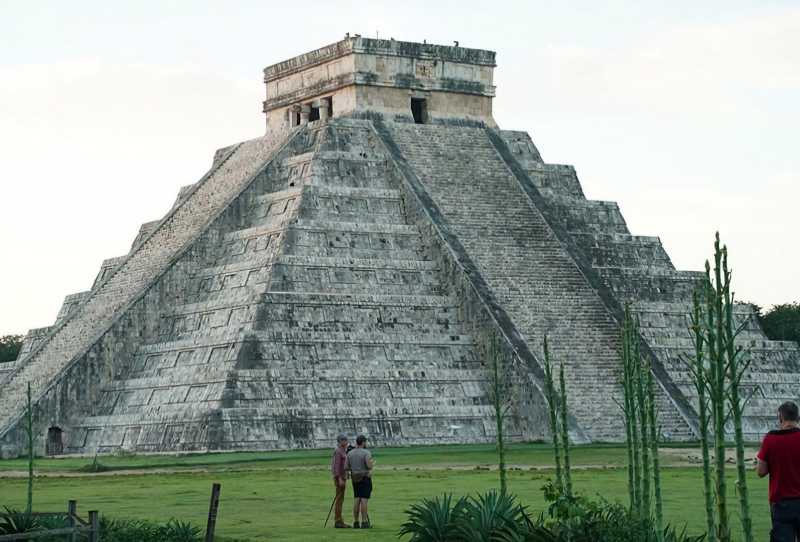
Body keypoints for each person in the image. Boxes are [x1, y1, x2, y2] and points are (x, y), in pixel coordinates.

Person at [757, 401, 800, 541]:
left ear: (780, 417)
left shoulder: (770, 439)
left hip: (781, 503)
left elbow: (761, 471)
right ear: (797, 418)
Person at [346, 434, 374, 529]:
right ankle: (365, 521)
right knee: (364, 500)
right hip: (365, 477)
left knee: (357, 499)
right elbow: (369, 466)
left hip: (355, 478)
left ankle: (356, 521)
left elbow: (346, 467)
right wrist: (372, 464)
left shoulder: (350, 453)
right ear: (363, 442)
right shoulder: (366, 453)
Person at [330, 434, 350, 529]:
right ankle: (338, 521)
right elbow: (336, 466)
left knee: (341, 499)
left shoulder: (343, 451)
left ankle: (339, 520)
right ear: (341, 441)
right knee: (339, 499)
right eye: (345, 440)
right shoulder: (338, 451)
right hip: (340, 478)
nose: (347, 442)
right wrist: (339, 478)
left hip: (343, 476)